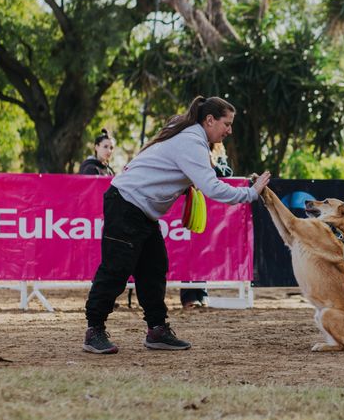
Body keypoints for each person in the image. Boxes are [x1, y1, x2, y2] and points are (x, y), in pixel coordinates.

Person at [82, 96, 270, 354]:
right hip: (126, 204)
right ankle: (94, 330)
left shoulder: (190, 137)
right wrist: (251, 193)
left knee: (154, 269)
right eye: (226, 124)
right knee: (115, 270)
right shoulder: (191, 141)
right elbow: (212, 187)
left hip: (138, 209)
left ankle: (157, 330)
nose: (229, 130)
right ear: (210, 120)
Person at [179, 142, 234, 309]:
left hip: (210, 210)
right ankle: (188, 295)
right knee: (189, 250)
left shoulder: (218, 153)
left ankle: (201, 292)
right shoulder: (190, 147)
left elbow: (227, 173)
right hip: (192, 205)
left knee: (203, 250)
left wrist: (213, 164)